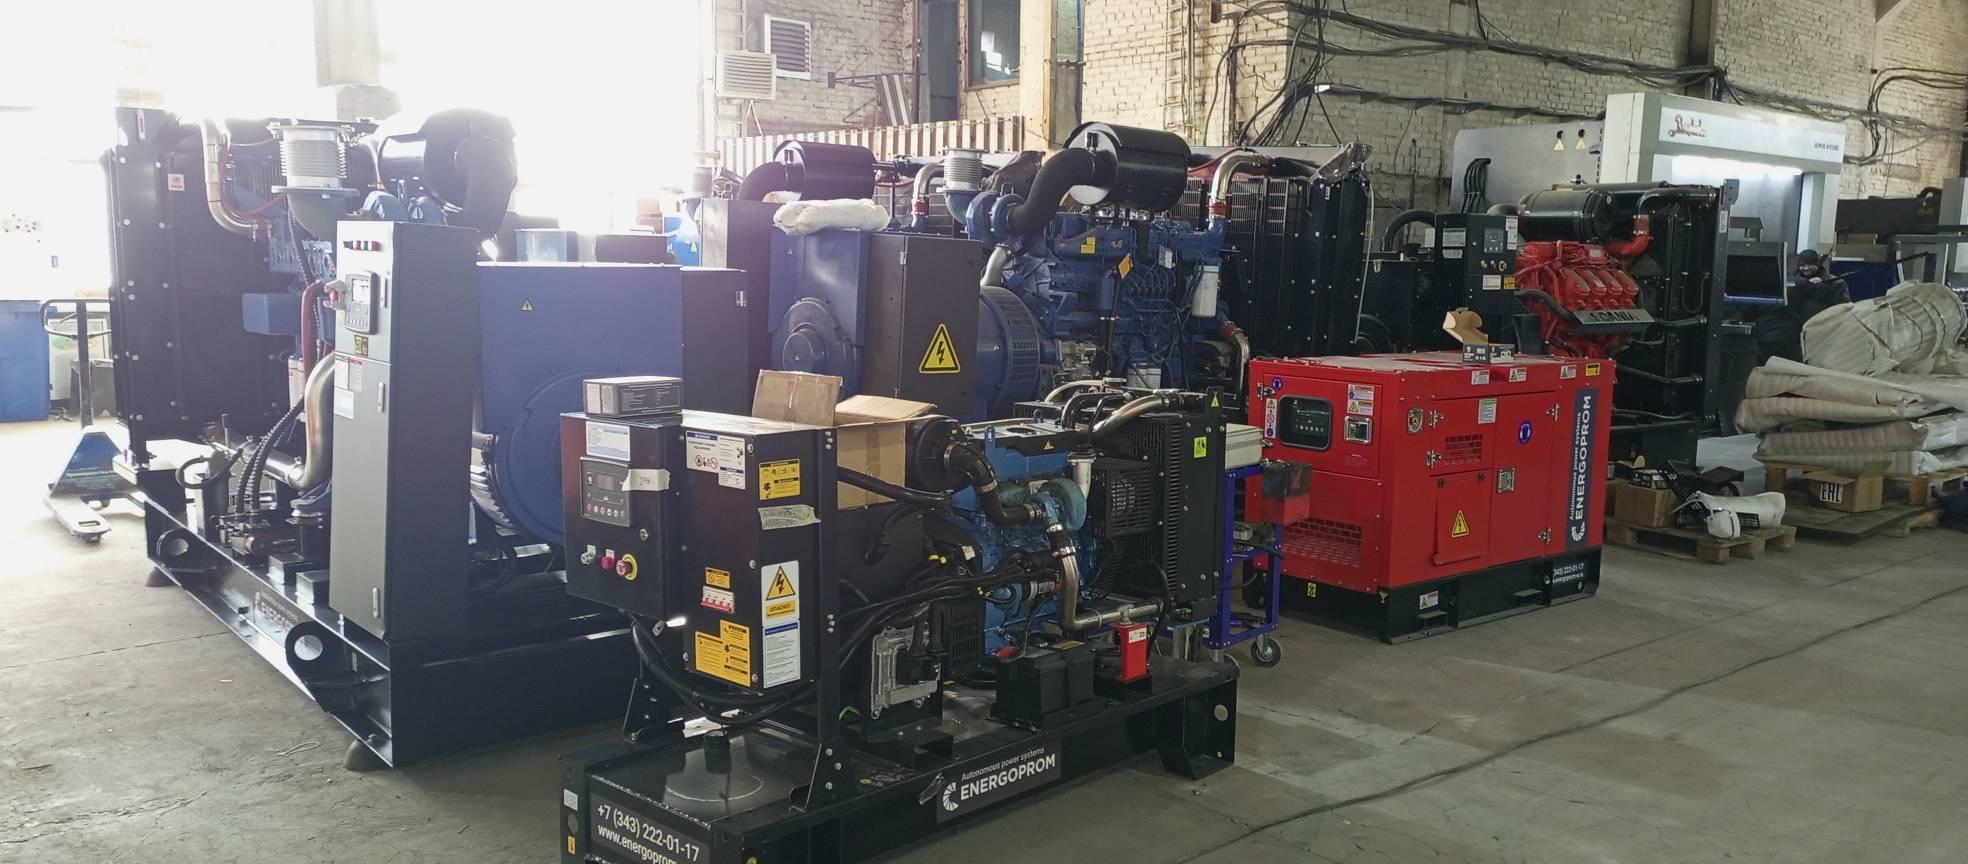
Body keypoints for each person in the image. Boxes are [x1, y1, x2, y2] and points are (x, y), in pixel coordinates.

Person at [1754, 249, 1851, 363]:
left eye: (1809, 264)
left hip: (1820, 334)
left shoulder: (1835, 283)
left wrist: (1822, 286)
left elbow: (1842, 309)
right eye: (1802, 265)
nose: (1806, 268)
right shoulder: (1790, 282)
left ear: (1817, 264)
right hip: (1794, 335)